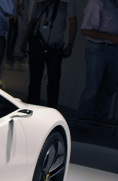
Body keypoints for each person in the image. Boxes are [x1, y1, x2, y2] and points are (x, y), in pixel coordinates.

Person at [74, 0, 118, 130]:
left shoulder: (115, 4)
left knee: (109, 87)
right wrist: (110, 38)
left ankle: (100, 119)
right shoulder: (96, 3)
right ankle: (82, 120)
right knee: (92, 87)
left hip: (114, 49)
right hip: (97, 48)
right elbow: (85, 30)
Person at [23, 0, 77, 108]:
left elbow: (73, 23)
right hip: (38, 45)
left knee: (53, 82)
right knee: (35, 81)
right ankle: (33, 109)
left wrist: (70, 44)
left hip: (55, 47)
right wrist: (25, 41)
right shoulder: (38, 1)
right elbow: (33, 21)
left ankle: (52, 110)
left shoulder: (67, 2)